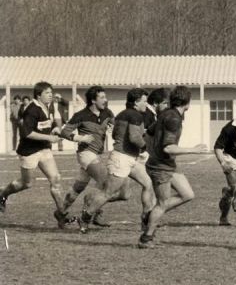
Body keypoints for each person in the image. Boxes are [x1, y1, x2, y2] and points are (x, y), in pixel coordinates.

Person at [78, 88, 155, 234]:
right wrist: (146, 147)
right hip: (122, 158)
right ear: (136, 102)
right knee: (108, 193)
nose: (146, 104)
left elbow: (114, 135)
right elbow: (134, 137)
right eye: (144, 101)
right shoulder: (136, 115)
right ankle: (85, 216)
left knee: (147, 183)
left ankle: (146, 220)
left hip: (128, 157)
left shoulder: (121, 114)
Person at [138, 86, 206, 249]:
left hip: (168, 164)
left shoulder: (167, 114)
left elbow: (149, 133)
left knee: (187, 194)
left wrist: (152, 150)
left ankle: (150, 215)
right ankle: (146, 238)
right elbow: (168, 147)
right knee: (162, 204)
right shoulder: (173, 119)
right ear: (187, 103)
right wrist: (194, 149)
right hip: (160, 167)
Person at [0, 82, 73, 228]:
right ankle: (2, 194)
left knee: (55, 178)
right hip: (29, 151)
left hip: (44, 149)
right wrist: (49, 138)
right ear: (38, 95)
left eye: (51, 92)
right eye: (47, 93)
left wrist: (56, 129)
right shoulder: (32, 110)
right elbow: (27, 133)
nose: (51, 95)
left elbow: (52, 122)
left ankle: (61, 214)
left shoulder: (49, 106)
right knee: (26, 183)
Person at [60, 86, 130, 228]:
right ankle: (93, 213)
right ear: (93, 100)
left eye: (105, 97)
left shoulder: (107, 113)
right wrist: (80, 138)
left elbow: (116, 128)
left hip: (97, 154)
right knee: (107, 185)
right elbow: (64, 132)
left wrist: (114, 130)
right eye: (102, 97)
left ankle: (60, 212)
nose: (106, 99)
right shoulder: (81, 115)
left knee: (78, 188)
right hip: (86, 154)